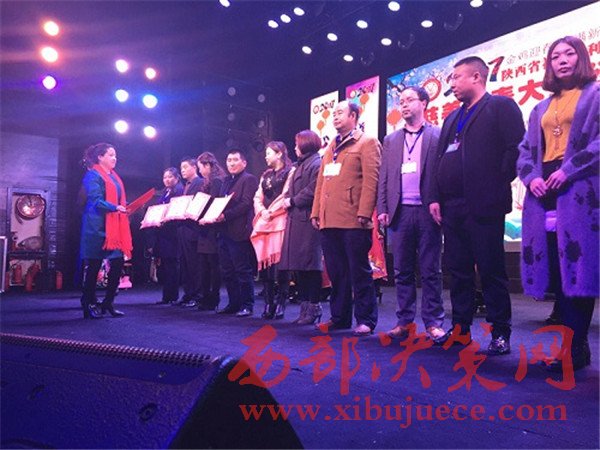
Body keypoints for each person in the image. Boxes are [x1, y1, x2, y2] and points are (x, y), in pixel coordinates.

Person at [428, 56, 525, 354]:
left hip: (485, 204)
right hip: (452, 206)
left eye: (456, 77)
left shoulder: (500, 106)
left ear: (476, 77)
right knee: (458, 271)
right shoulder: (451, 118)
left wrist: (496, 182)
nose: (452, 84)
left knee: (491, 269)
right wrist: (435, 197)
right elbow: (439, 159)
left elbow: (516, 149)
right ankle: (461, 330)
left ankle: (500, 332)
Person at [517, 36, 598, 371]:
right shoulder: (540, 107)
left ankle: (574, 348)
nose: (562, 60)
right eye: (555, 56)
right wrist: (530, 177)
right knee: (558, 273)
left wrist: (569, 170)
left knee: (578, 269)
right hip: (544, 191)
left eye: (569, 54)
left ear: (581, 58)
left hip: (579, 191)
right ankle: (573, 347)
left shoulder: (595, 95)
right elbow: (525, 150)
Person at [377, 86, 444, 341]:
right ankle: (404, 321)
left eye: (409, 100)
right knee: (402, 270)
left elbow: (443, 173)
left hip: (428, 211)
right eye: (401, 101)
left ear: (424, 103)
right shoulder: (391, 139)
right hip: (400, 211)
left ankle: (433, 322)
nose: (403, 105)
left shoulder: (437, 134)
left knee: (430, 270)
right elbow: (384, 177)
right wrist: (382, 208)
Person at [310, 100, 381, 336]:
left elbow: (372, 180)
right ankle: (339, 318)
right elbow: (321, 183)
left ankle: (366, 319)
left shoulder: (367, 142)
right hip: (329, 219)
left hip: (354, 219)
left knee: (359, 271)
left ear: (353, 116)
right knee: (336, 272)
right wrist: (316, 212)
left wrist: (364, 212)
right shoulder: (331, 146)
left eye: (340, 112)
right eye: (334, 113)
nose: (335, 116)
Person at [79, 143, 132, 319]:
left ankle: (108, 302)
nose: (114, 158)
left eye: (115, 155)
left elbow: (118, 199)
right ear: (100, 157)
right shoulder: (92, 175)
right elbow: (95, 200)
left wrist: (124, 207)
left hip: (113, 228)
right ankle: (88, 303)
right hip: (96, 226)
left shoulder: (114, 177)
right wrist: (115, 207)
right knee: (94, 266)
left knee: (117, 263)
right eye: (110, 155)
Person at [279, 130, 324, 325]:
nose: (295, 147)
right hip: (296, 220)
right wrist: (288, 199)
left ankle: (314, 307)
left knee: (310, 266)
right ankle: (305, 308)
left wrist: (293, 200)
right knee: (299, 267)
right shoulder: (299, 165)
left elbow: (314, 190)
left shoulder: (317, 163)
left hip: (307, 221)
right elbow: (290, 189)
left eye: (297, 144)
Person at [214, 150, 259, 316]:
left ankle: (247, 304)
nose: (231, 163)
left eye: (235, 160)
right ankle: (233, 303)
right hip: (223, 231)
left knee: (242, 269)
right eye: (228, 160)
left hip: (239, 230)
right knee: (227, 270)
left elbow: (246, 204)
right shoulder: (226, 181)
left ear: (244, 163)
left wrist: (225, 215)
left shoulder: (249, 179)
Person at [252, 142, 293, 319]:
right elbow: (257, 197)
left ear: (279, 154)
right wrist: (262, 211)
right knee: (265, 264)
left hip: (280, 220)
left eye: (269, 153)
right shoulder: (266, 175)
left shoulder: (290, 172)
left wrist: (272, 212)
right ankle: (268, 302)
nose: (266, 156)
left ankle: (281, 302)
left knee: (280, 264)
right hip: (265, 221)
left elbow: (286, 195)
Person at [147, 167, 184, 305]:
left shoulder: (179, 191)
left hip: (173, 232)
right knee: (166, 265)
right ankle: (166, 296)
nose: (167, 180)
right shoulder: (165, 192)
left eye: (170, 177)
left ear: (177, 178)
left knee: (172, 265)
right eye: (165, 177)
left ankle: (172, 296)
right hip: (163, 232)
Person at [196, 152, 226, 310]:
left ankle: (213, 299)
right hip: (204, 228)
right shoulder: (209, 181)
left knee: (212, 266)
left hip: (212, 229)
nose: (200, 171)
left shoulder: (216, 181)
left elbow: (213, 203)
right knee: (205, 266)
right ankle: (206, 297)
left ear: (207, 165)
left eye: (200, 167)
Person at [174, 157, 204, 308]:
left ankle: (197, 295)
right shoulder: (186, 185)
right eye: (181, 168)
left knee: (194, 264)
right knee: (184, 263)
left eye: (185, 167)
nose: (183, 170)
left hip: (193, 228)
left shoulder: (200, 183)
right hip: (183, 227)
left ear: (194, 167)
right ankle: (187, 293)